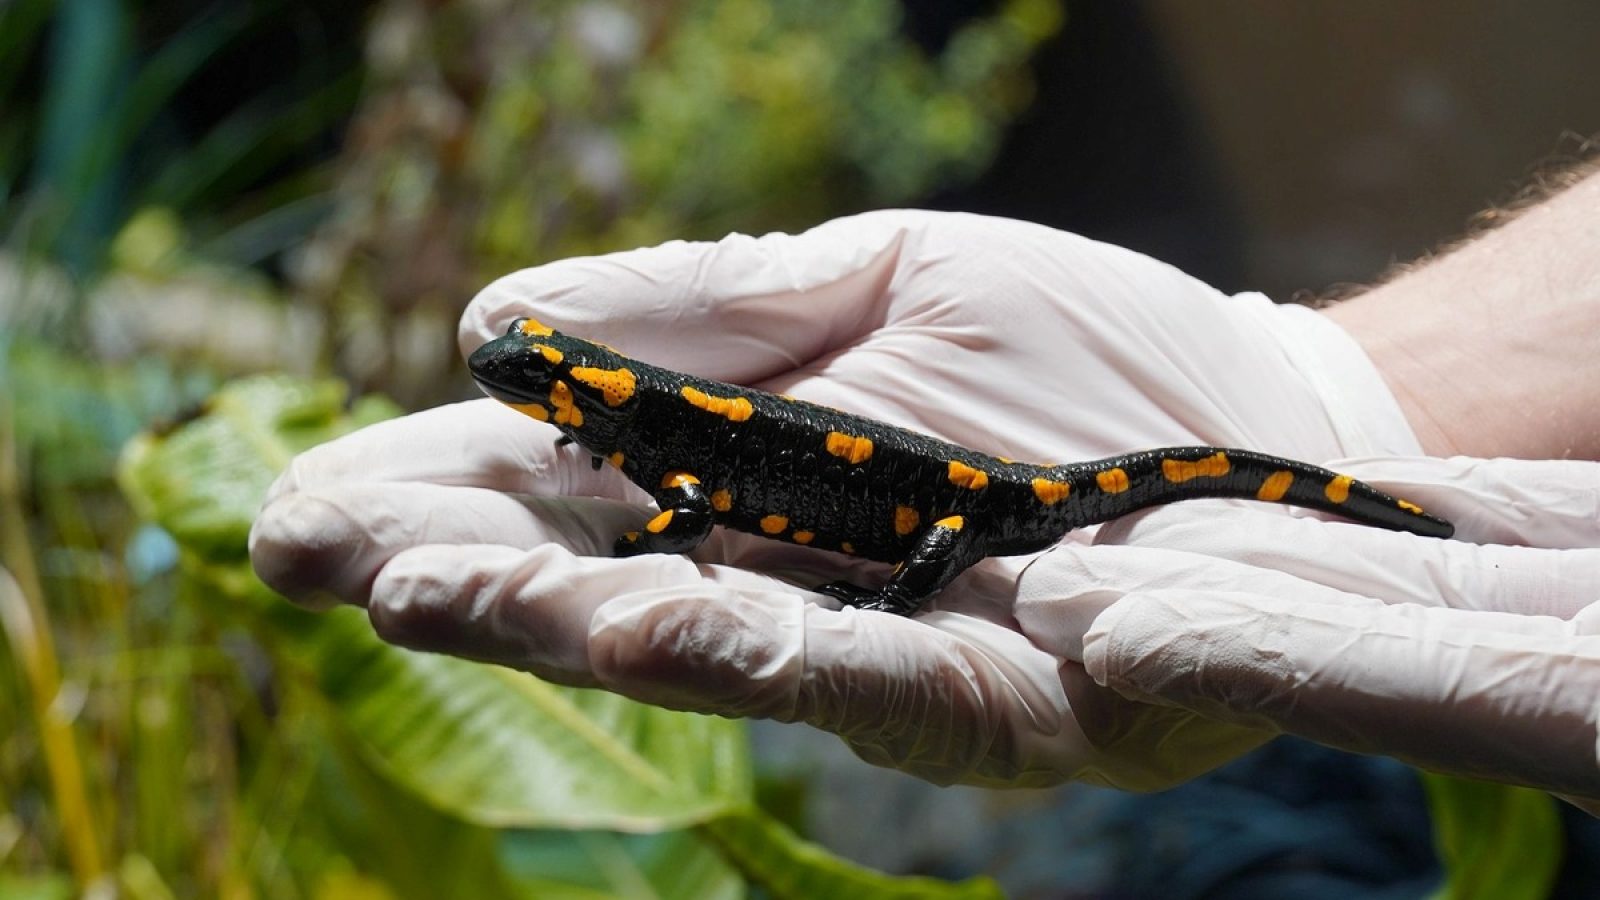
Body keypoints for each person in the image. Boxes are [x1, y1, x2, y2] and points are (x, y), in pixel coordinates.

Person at [249, 166, 1600, 810]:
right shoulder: (636, 417)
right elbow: (674, 489)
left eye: (537, 381)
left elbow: (680, 508)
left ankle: (1349, 487)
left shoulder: (641, 422)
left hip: (967, 504)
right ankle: (1358, 470)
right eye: (534, 386)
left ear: (577, 384)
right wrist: (1346, 391)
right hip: (947, 482)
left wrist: (897, 588)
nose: (528, 390)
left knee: (961, 542)